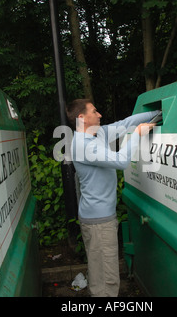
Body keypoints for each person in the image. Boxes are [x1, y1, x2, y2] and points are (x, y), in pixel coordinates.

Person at [66, 98, 159, 297]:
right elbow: (121, 161)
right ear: (82, 117)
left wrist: (156, 113)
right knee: (106, 279)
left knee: (100, 271)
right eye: (94, 111)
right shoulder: (83, 145)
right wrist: (137, 135)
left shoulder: (95, 134)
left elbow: (123, 124)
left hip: (99, 218)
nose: (100, 115)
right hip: (98, 222)